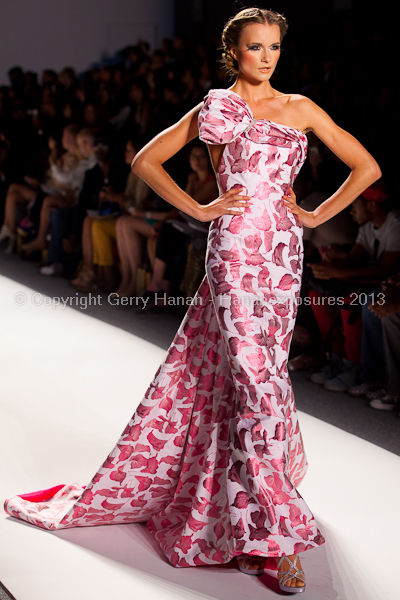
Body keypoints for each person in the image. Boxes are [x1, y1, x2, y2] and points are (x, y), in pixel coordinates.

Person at [4, 8, 380, 595]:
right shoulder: (217, 107)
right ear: (236, 53)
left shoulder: (301, 108)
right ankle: (273, 534)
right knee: (255, 380)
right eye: (256, 47)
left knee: (266, 377)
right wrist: (201, 209)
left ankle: (245, 505)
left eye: (275, 46)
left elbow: (367, 166)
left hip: (281, 255)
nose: (268, 57)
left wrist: (312, 215)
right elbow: (144, 161)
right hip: (232, 251)